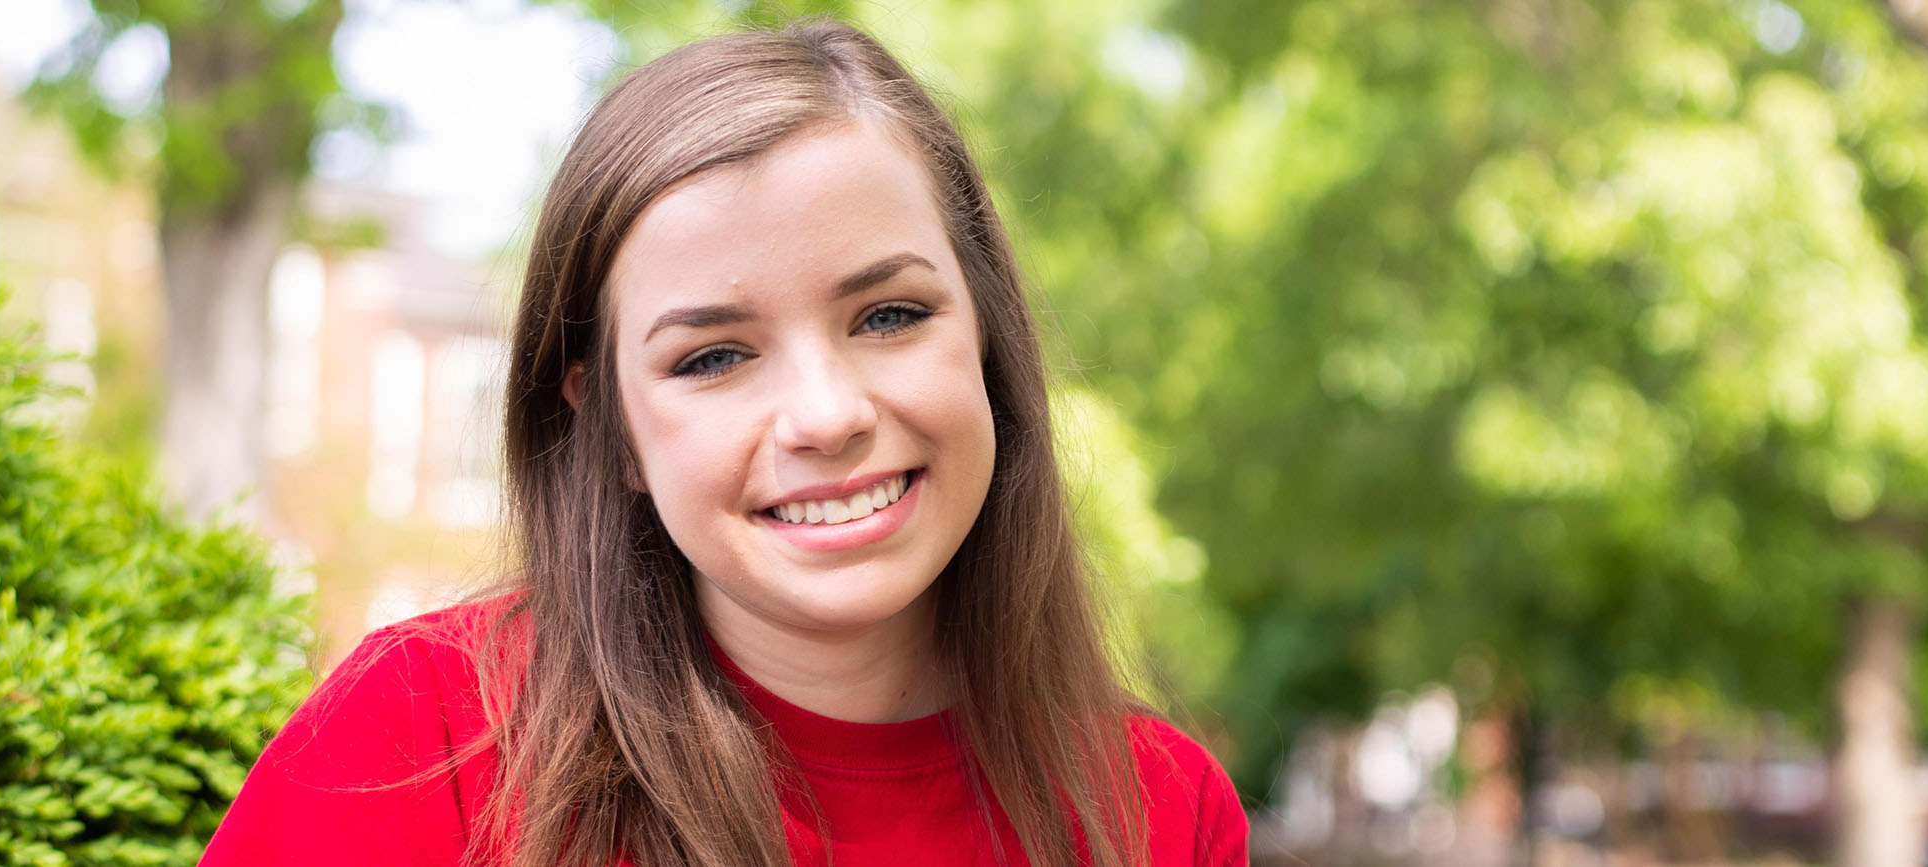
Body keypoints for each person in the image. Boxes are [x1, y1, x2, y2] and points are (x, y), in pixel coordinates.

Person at [199, 19, 1248, 867]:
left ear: (984, 334)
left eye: (888, 315)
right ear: (610, 430)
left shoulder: (1160, 810)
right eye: (712, 358)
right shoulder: (422, 737)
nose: (826, 415)